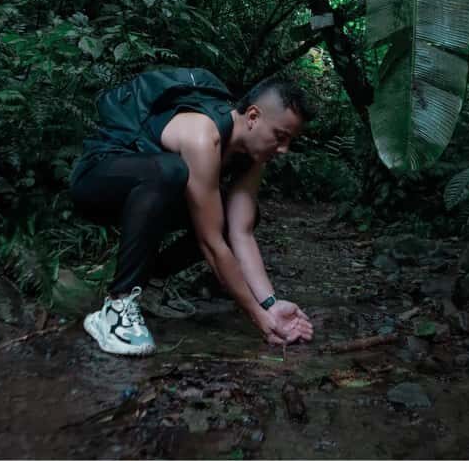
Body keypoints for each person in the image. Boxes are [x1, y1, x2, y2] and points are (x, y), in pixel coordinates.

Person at [70, 71, 315, 356]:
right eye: (280, 136)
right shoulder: (202, 136)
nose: (284, 149)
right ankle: (116, 306)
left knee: (238, 214)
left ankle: (148, 285)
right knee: (170, 172)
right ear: (252, 116)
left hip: (152, 196)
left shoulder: (252, 157)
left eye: (290, 141)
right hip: (97, 181)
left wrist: (270, 305)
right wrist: (260, 319)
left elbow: (240, 233)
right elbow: (211, 244)